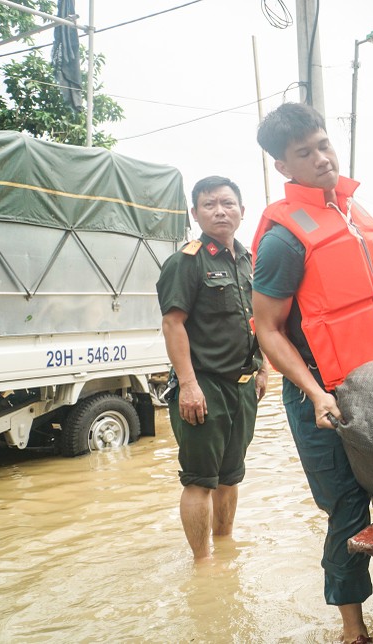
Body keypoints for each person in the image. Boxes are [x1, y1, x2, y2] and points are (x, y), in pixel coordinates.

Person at [250, 102, 373, 644]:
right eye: (305, 153)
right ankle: (353, 630)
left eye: (324, 144)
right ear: (283, 166)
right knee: (348, 510)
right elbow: (268, 329)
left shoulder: (354, 215)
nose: (322, 159)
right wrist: (315, 393)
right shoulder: (283, 239)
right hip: (323, 401)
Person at [156, 175, 268, 562]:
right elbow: (173, 325)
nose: (220, 211)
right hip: (203, 385)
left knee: (231, 475)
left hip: (243, 386)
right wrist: (187, 384)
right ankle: (202, 564)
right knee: (200, 480)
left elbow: (258, 320)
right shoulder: (185, 262)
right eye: (209, 204)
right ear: (195, 213)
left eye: (227, 203)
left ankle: (226, 548)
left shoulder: (250, 261)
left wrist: (263, 368)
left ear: (241, 210)